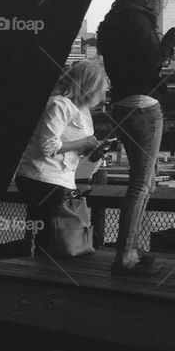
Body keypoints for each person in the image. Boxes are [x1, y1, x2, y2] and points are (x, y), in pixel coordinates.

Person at [97, 0, 175, 276]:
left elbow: (130, 60)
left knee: (146, 181)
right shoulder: (137, 19)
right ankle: (125, 255)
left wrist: (166, 43)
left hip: (121, 103)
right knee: (140, 183)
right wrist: (171, 41)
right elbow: (152, 61)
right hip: (143, 105)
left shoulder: (109, 23)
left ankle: (132, 250)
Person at [15, 59, 109, 257]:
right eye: (99, 91)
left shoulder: (79, 109)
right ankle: (46, 269)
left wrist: (90, 150)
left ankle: (44, 267)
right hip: (43, 177)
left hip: (59, 177)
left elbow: (70, 146)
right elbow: (48, 146)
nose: (101, 96)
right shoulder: (59, 105)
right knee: (53, 237)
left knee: (53, 236)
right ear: (88, 87)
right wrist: (83, 143)